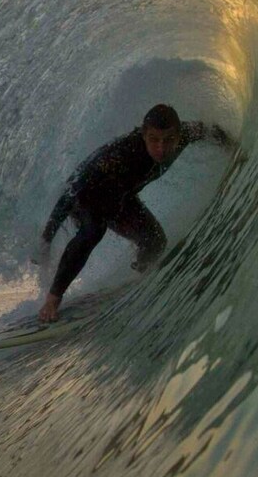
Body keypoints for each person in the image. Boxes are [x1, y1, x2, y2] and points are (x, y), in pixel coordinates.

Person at [34, 102, 237, 323]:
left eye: (168, 140)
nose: (161, 148)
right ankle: (52, 300)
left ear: (179, 135)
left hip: (121, 197)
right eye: (154, 140)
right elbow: (70, 191)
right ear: (143, 135)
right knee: (94, 230)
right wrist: (46, 239)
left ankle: (138, 281)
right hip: (85, 196)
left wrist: (238, 152)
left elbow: (213, 131)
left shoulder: (187, 133)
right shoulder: (121, 156)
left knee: (155, 241)